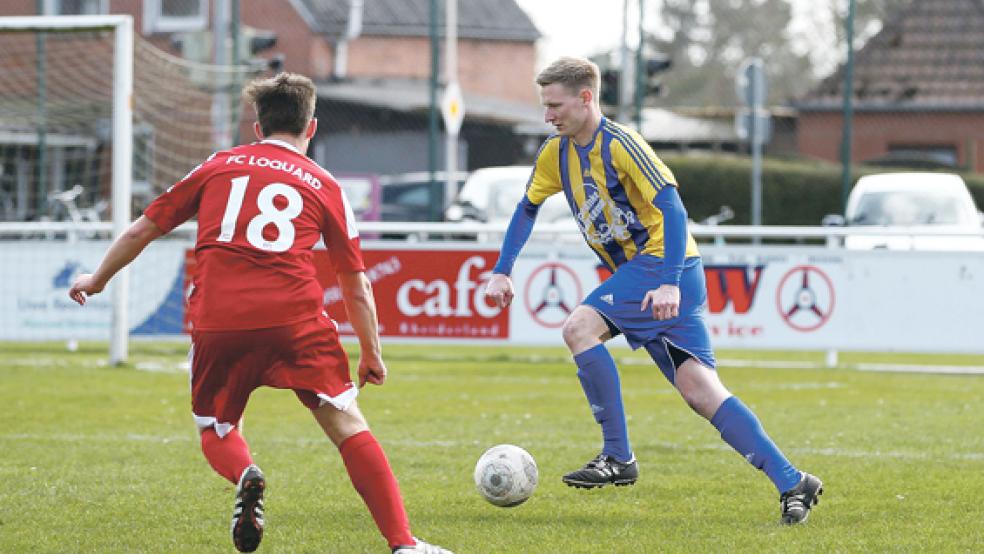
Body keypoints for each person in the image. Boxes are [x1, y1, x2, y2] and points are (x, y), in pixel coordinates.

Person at [69, 73, 451, 553]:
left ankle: (245, 472)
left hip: (218, 319)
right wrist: (371, 352)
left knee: (215, 427)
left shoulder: (217, 166)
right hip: (295, 321)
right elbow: (355, 281)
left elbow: (142, 230)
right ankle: (404, 544)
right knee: (347, 423)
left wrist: (97, 279)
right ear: (311, 128)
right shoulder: (326, 185)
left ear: (256, 127)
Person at [484, 57, 823, 525]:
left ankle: (618, 457)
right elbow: (527, 208)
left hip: (669, 265)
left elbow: (674, 208)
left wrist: (666, 281)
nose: (548, 115)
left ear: (586, 98)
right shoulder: (555, 153)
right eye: (545, 106)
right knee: (700, 391)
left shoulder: (623, 145)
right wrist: (503, 270)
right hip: (646, 273)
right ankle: (793, 481)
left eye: (555, 105)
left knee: (579, 327)